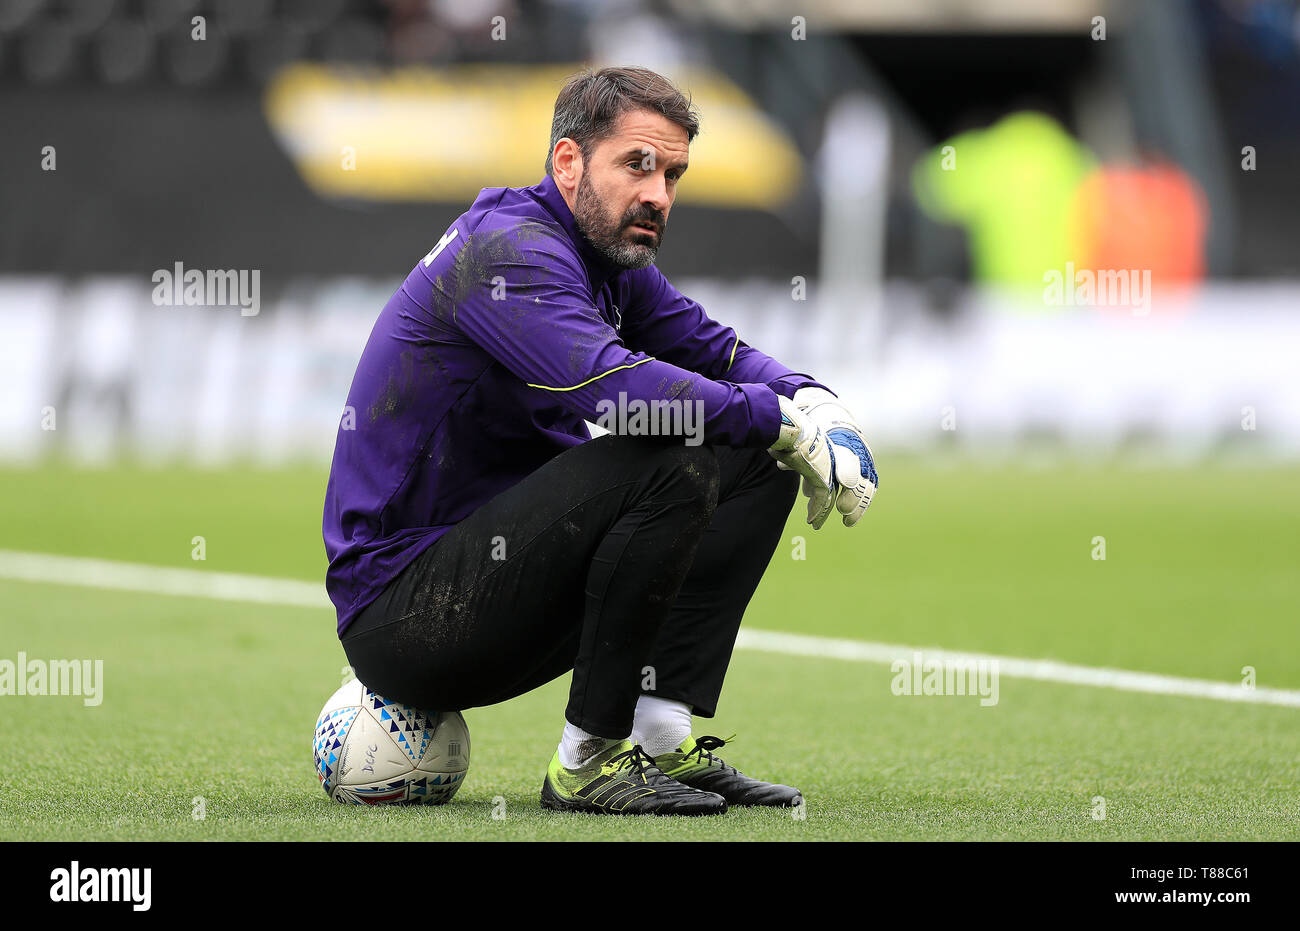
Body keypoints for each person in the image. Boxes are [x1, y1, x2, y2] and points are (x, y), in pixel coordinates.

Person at [323, 66, 878, 816]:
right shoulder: (507, 251)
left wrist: (814, 403)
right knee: (683, 448)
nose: (659, 193)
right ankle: (586, 763)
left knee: (751, 451)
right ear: (567, 163)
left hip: (501, 586)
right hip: (406, 615)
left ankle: (656, 734)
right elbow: (616, 390)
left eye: (674, 173)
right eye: (638, 165)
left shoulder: (607, 255)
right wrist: (777, 419)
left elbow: (714, 351)